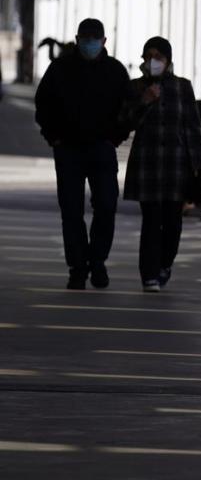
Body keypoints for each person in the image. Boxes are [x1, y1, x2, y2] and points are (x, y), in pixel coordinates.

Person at [34, 18, 131, 289]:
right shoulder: (60, 69)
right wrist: (53, 137)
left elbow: (127, 109)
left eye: (94, 38)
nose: (89, 43)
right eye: (85, 38)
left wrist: (115, 137)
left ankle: (97, 261)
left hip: (101, 147)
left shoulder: (114, 71)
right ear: (77, 40)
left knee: (106, 206)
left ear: (104, 41)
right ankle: (78, 267)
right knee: (71, 210)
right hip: (69, 149)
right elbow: (43, 104)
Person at [120, 36, 201, 292]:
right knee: (150, 222)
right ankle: (149, 274)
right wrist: (145, 100)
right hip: (148, 166)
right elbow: (125, 122)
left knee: (173, 224)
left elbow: (192, 128)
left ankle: (165, 264)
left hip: (176, 166)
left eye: (158, 56)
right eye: (148, 56)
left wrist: (197, 169)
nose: (152, 61)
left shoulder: (183, 87)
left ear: (168, 61)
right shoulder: (136, 88)